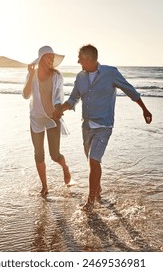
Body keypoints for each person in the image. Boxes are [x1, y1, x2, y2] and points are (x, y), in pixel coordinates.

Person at [55, 44, 152, 211]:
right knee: (92, 161)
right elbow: (73, 99)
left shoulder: (110, 73)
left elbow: (130, 90)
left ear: (89, 59)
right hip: (86, 126)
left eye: (80, 58)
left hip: (104, 125)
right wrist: (60, 110)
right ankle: (97, 189)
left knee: (94, 160)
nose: (78, 61)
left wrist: (144, 109)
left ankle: (91, 201)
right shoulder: (80, 77)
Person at [23, 46, 71, 197]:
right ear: (41, 58)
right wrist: (31, 75)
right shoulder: (33, 74)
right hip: (36, 118)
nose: (52, 60)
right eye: (49, 57)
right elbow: (25, 95)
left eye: (53, 57)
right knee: (38, 154)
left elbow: (58, 97)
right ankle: (44, 186)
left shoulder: (57, 76)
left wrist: (60, 110)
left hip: (52, 118)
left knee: (54, 155)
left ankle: (65, 167)